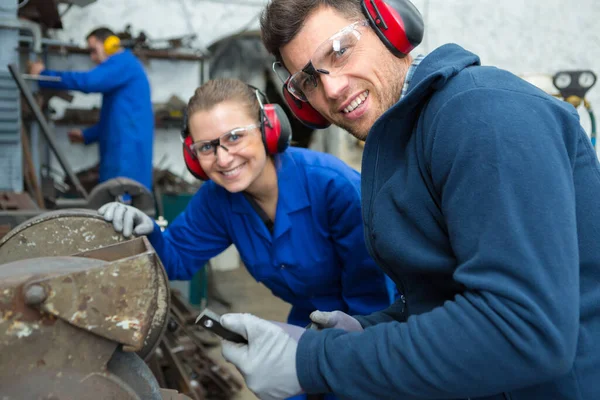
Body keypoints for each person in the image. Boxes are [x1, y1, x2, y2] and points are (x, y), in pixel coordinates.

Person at [216, 0, 600, 399]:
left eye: (339, 50)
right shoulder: (398, 145)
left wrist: (315, 362)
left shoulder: (484, 116)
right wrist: (371, 328)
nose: (331, 88)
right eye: (309, 80)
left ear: (390, 27)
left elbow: (524, 330)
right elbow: (445, 297)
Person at [98, 78, 396, 399]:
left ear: (268, 129)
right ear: (192, 155)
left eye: (235, 137)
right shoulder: (218, 200)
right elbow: (176, 260)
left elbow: (374, 302)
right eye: (207, 147)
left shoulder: (335, 188)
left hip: (371, 328)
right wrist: (147, 232)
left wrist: (332, 365)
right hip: (306, 321)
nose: (224, 159)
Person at [29, 27, 154, 190]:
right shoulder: (124, 67)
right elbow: (115, 117)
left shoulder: (123, 63)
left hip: (126, 152)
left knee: (124, 200)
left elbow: (88, 81)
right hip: (122, 148)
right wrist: (87, 135)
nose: (93, 57)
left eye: (94, 50)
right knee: (116, 199)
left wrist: (44, 75)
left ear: (111, 44)